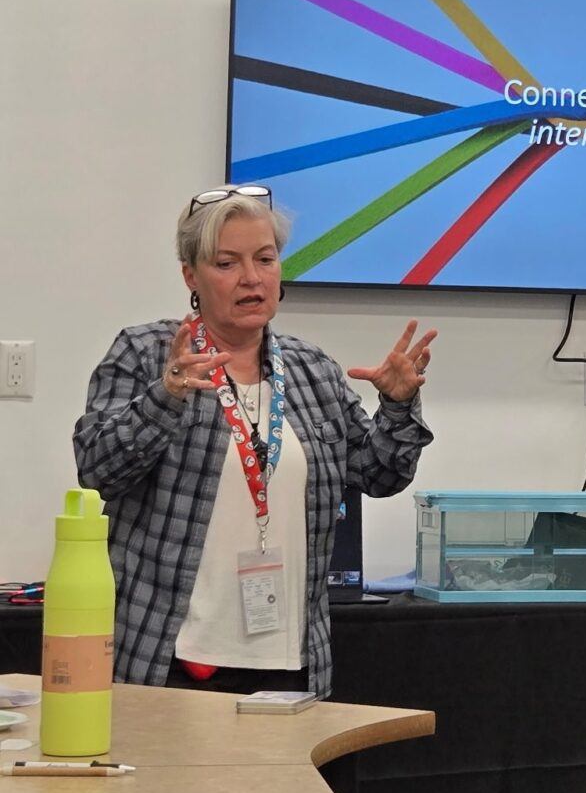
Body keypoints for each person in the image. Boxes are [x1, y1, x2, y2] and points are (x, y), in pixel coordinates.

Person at [73, 184, 436, 699]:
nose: (251, 277)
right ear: (191, 276)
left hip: (290, 664)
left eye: (265, 259)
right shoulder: (145, 353)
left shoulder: (311, 369)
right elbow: (97, 470)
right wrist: (166, 395)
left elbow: (379, 475)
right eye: (227, 263)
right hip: (171, 659)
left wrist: (398, 405)